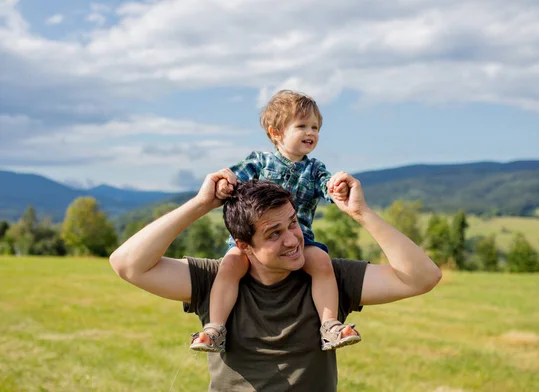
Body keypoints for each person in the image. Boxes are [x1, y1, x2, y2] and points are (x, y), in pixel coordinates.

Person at [109, 169, 442, 391]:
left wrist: (361, 214)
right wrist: (200, 205)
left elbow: (422, 278)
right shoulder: (216, 279)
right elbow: (127, 264)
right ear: (243, 245)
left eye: (293, 223)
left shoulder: (326, 276)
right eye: (274, 233)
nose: (293, 240)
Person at [191, 90, 356, 353]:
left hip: (300, 239)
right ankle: (215, 329)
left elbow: (326, 186)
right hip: (256, 240)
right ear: (276, 132)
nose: (310, 132)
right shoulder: (260, 161)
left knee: (322, 262)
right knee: (231, 264)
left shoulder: (314, 169)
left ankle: (330, 326)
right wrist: (224, 185)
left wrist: (337, 188)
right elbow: (235, 178)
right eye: (301, 126)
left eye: (315, 127)